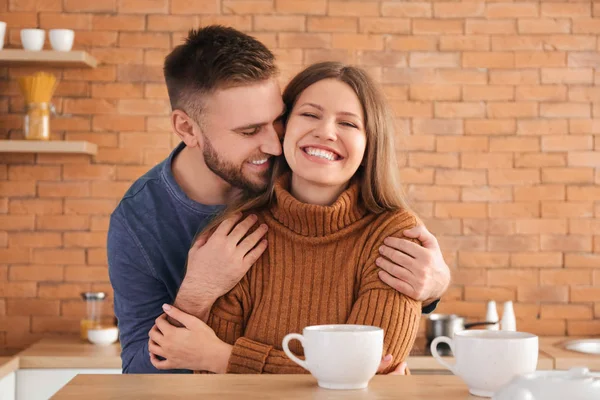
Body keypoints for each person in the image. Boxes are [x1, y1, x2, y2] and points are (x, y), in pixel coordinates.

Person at [108, 25, 451, 374]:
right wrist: (198, 293)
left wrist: (435, 287)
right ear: (187, 129)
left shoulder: (372, 220)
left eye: (277, 121)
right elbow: (146, 373)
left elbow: (365, 378)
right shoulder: (143, 221)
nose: (274, 145)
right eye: (249, 131)